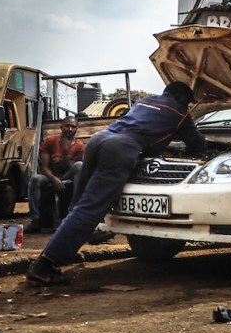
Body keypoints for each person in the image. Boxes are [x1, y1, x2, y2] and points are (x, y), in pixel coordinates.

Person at [26, 81, 205, 284]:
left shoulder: (145, 101)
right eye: (188, 103)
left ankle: (74, 243)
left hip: (99, 139)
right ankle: (44, 266)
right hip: (120, 149)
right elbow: (197, 144)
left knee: (78, 206)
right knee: (89, 209)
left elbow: (139, 124)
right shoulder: (180, 112)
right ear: (182, 99)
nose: (188, 107)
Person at [27, 116, 84, 233]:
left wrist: (66, 153)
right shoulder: (50, 141)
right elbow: (44, 168)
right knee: (35, 179)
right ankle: (35, 220)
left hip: (67, 176)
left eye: (73, 127)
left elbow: (70, 168)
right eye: (67, 126)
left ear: (76, 129)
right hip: (50, 176)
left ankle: (74, 211)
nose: (69, 129)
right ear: (61, 127)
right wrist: (54, 179)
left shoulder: (79, 146)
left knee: (79, 165)